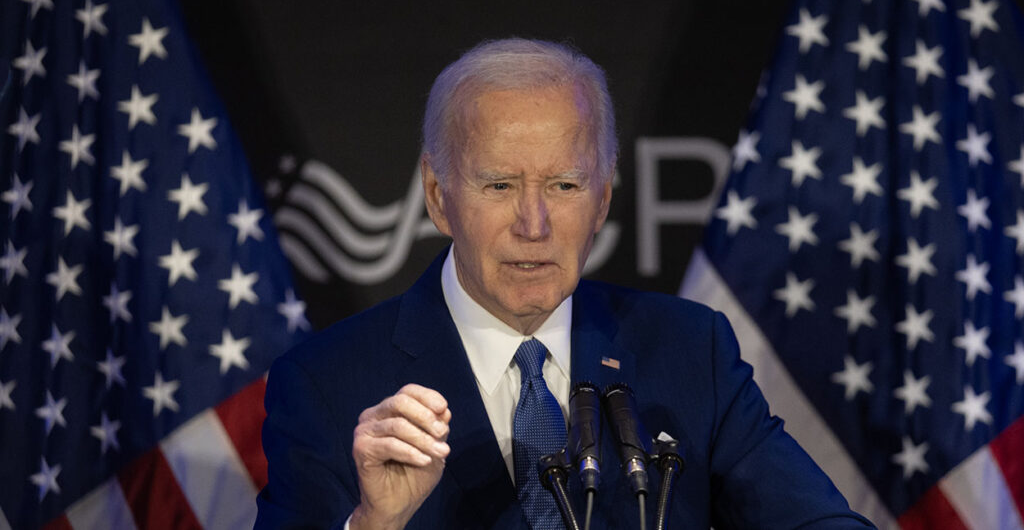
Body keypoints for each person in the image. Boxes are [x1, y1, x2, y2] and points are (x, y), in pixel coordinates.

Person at [255, 38, 874, 529]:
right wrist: (374, 526)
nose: (534, 224)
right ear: (439, 197)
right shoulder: (326, 385)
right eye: (499, 185)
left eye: (564, 186)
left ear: (602, 199)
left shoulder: (691, 350)